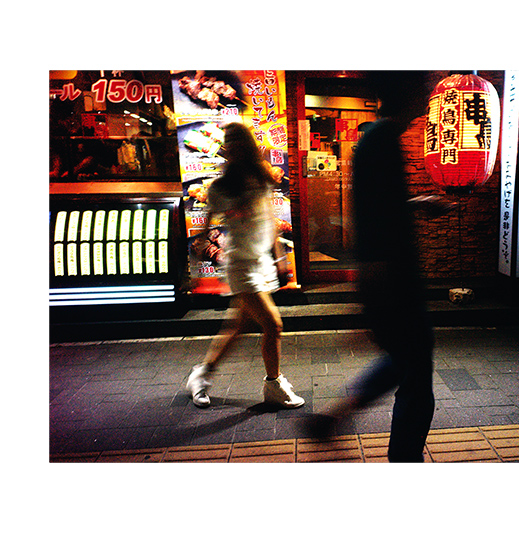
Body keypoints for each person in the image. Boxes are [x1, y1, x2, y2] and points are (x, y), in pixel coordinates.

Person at [308, 71, 448, 462]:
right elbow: (371, 222)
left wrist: (416, 204)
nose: (428, 92)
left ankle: (334, 418)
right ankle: (403, 459)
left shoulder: (381, 139)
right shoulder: (381, 141)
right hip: (395, 281)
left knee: (405, 363)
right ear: (405, 89)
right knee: (415, 381)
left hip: (394, 279)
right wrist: (373, 293)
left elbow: (380, 209)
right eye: (423, 84)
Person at [186, 121, 304, 410]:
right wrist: (194, 269)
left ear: (247, 147)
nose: (231, 149)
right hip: (240, 264)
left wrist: (280, 258)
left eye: (237, 143)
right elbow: (205, 230)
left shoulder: (261, 178)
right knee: (273, 325)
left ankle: (201, 374)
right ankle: (274, 385)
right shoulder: (220, 188)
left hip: (262, 262)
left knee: (239, 327)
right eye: (228, 144)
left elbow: (269, 220)